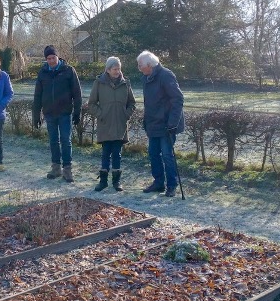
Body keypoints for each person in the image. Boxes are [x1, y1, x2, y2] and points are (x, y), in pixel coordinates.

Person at [137, 50, 184, 197]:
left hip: (167, 124)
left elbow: (178, 99)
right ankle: (158, 183)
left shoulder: (166, 75)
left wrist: (172, 123)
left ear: (149, 65)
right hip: (153, 123)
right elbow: (148, 103)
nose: (139, 68)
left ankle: (172, 185)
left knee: (167, 155)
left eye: (140, 65)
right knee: (153, 154)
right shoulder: (146, 78)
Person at [33, 45, 82, 182]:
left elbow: (77, 93)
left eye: (53, 57)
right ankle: (56, 168)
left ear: (57, 57)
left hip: (65, 113)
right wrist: (36, 115)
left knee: (66, 141)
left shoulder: (69, 71)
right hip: (49, 113)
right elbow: (37, 95)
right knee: (53, 141)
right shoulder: (42, 72)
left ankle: (67, 170)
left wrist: (77, 112)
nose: (51, 61)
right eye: (48, 58)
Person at [88, 56, 136, 192]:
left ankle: (117, 181)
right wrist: (101, 114)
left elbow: (132, 103)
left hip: (120, 124)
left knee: (117, 153)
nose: (117, 71)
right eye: (114, 69)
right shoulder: (99, 83)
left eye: (119, 68)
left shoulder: (126, 83)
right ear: (108, 70)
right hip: (105, 124)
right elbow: (91, 104)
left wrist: (126, 114)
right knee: (105, 152)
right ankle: (103, 181)